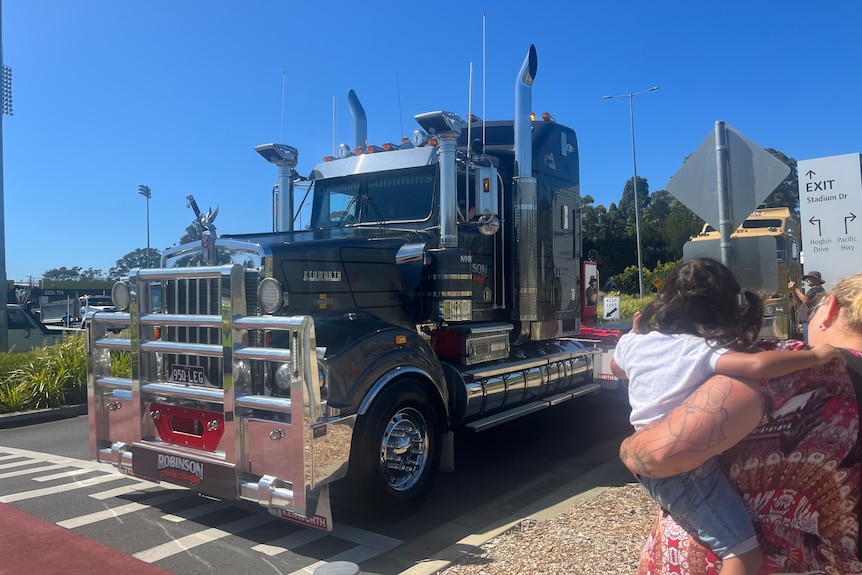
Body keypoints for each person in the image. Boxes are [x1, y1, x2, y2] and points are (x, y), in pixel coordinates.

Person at [611, 258, 843, 575]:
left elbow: (617, 369)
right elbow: (758, 366)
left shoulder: (634, 343)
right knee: (742, 553)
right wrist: (815, 355)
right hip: (686, 470)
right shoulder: (700, 349)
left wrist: (636, 334)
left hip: (654, 456)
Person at [788, 270, 827, 342]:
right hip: (807, 320)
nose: (807, 280)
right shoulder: (812, 291)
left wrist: (796, 288)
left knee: (810, 342)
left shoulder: (818, 289)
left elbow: (805, 300)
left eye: (809, 278)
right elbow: (800, 303)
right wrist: (793, 291)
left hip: (811, 320)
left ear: (816, 280)